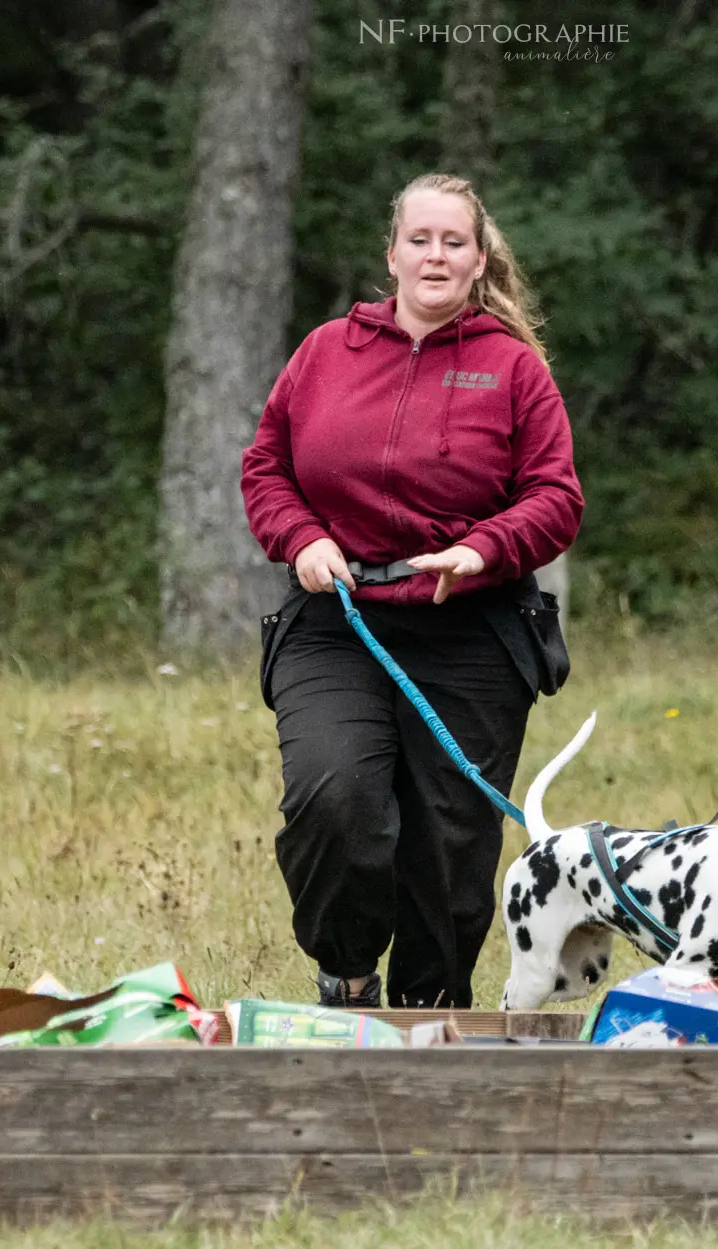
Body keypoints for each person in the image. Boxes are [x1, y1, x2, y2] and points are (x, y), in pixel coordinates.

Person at [240, 173, 583, 1010]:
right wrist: (303, 537)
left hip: (471, 630)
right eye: (419, 238)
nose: (435, 254)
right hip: (338, 621)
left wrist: (479, 550)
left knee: (449, 857)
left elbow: (556, 496)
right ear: (392, 253)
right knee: (336, 796)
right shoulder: (324, 352)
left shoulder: (513, 369)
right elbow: (266, 468)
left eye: (453, 241)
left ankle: (429, 1022)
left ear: (477, 261)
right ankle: (348, 980)